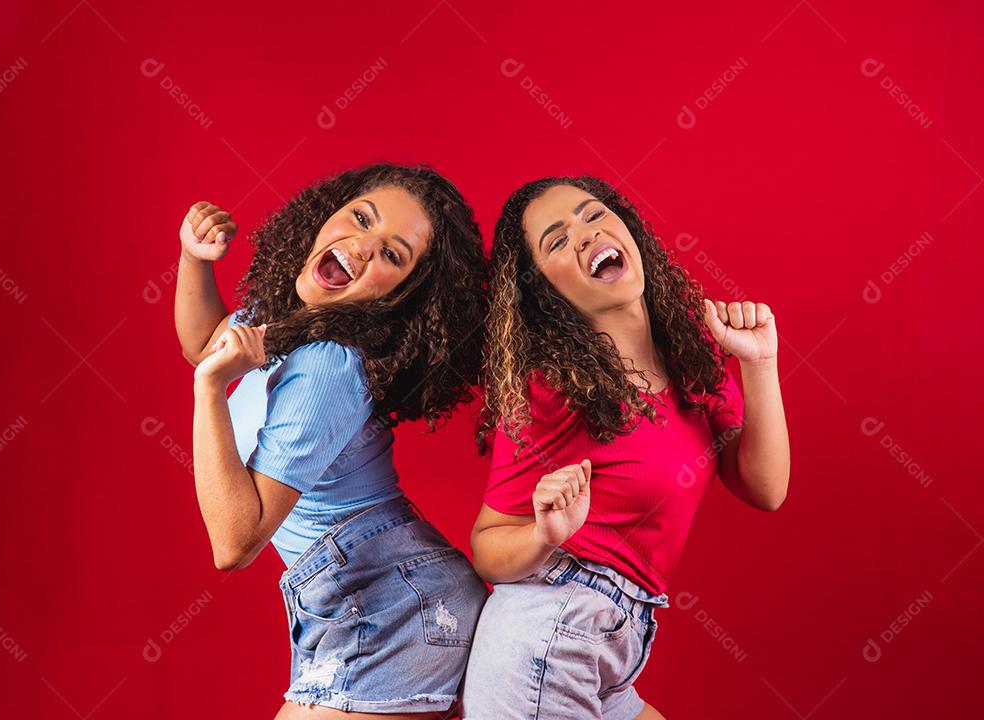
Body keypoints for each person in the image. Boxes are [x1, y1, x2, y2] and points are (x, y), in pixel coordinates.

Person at [461, 176, 790, 719]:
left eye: (593, 216)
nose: (586, 236)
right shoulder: (553, 389)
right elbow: (487, 548)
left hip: (617, 642)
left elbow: (766, 487)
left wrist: (759, 363)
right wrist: (544, 533)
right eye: (557, 241)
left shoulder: (689, 356)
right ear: (545, 289)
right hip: (547, 639)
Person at [175, 163, 490, 719]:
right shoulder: (288, 321)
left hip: (392, 606)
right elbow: (205, 342)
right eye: (360, 218)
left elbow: (235, 540)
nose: (364, 247)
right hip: (363, 598)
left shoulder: (330, 362)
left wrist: (209, 389)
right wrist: (194, 263)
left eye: (393, 255)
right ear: (325, 217)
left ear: (400, 297)